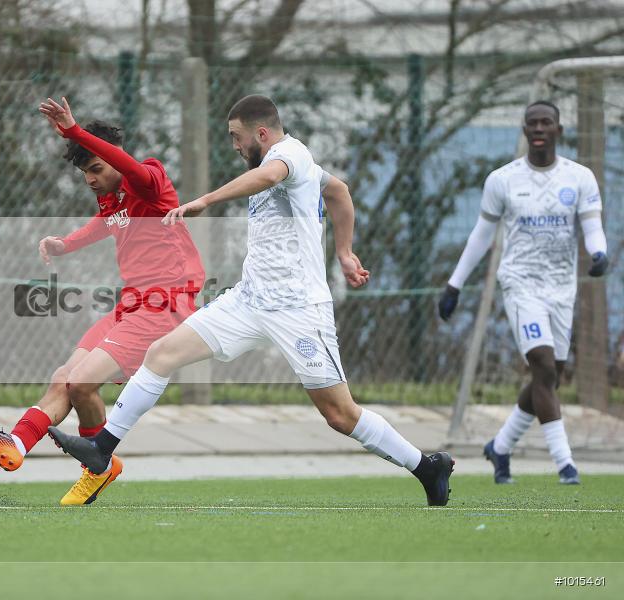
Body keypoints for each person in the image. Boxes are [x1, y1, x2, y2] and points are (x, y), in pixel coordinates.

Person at [49, 94, 455, 507]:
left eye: (237, 138)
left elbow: (269, 177)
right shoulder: (295, 166)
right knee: (161, 353)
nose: (235, 146)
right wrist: (345, 252)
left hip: (298, 308)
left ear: (262, 133)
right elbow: (338, 192)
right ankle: (102, 447)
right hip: (248, 300)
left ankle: (426, 466)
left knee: (340, 415)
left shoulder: (289, 154)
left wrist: (206, 200)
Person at [0, 97, 205, 505]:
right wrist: (64, 244)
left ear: (115, 160)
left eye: (96, 168)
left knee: (81, 383)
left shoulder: (148, 181)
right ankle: (16, 446)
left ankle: (100, 464)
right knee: (65, 376)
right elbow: (105, 223)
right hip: (130, 302)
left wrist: (76, 131)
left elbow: (128, 168)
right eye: (84, 173)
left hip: (165, 306)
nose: (90, 179)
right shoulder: (111, 197)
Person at [438, 101, 608, 485]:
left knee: (550, 378)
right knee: (544, 368)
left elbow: (592, 226)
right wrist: (455, 283)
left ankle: (500, 446)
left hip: (562, 289)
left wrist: (599, 254)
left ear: (558, 130)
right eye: (532, 123)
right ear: (524, 130)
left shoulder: (579, 178)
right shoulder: (503, 180)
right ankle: (566, 464)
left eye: (546, 122)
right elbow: (482, 234)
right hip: (520, 284)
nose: (539, 128)